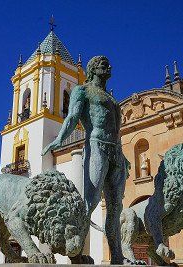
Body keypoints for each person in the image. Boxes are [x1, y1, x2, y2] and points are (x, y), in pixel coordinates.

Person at [42, 56, 130, 264]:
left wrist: (123, 155)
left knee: (115, 207)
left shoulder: (111, 99)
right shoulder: (82, 91)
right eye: (103, 64)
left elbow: (117, 131)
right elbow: (72, 117)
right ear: (92, 69)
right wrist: (59, 141)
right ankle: (76, 253)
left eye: (108, 64)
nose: (108, 67)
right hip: (96, 145)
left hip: (115, 151)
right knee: (90, 203)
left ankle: (117, 256)